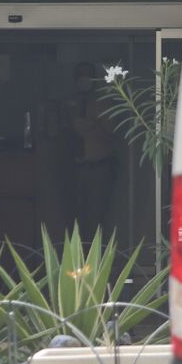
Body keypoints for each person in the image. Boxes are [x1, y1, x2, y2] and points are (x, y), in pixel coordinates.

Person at [67, 61, 117, 241]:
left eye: (87, 75)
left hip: (98, 168)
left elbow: (111, 132)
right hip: (75, 169)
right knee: (74, 219)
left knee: (97, 218)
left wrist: (89, 125)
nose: (83, 79)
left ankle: (97, 262)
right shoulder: (70, 102)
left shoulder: (104, 103)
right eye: (80, 75)